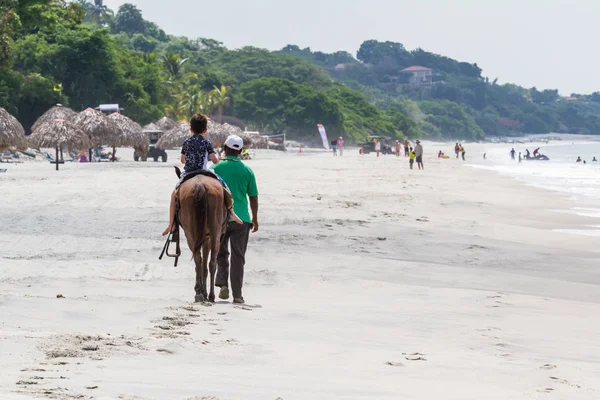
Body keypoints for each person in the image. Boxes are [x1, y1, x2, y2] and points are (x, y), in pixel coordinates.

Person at [163, 113, 242, 236]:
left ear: (190, 129)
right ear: (205, 130)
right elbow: (214, 160)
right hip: (204, 171)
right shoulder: (206, 143)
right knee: (224, 187)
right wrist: (217, 158)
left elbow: (182, 160)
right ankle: (231, 212)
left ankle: (171, 224)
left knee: (174, 195)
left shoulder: (186, 142)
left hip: (188, 173)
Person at [213, 135, 259, 305]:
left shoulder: (215, 168)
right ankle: (237, 295)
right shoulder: (247, 171)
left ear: (225, 148)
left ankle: (223, 283)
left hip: (221, 218)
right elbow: (253, 197)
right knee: (238, 257)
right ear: (240, 151)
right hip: (242, 219)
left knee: (221, 252)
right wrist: (255, 218)